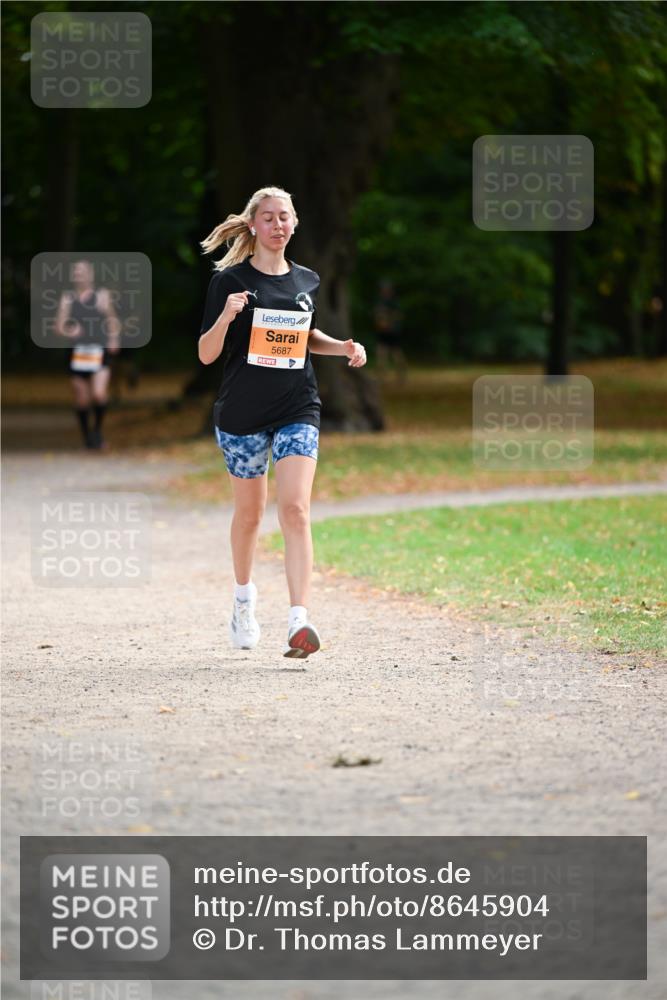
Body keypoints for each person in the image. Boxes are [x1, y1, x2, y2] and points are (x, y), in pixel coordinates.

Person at [198, 186, 367, 659]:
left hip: (298, 406)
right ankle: (243, 602)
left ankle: (299, 620)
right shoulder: (229, 282)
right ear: (253, 225)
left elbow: (303, 336)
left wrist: (344, 347)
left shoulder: (307, 281)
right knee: (250, 515)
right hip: (242, 413)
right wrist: (227, 318)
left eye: (285, 217)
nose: (277, 224)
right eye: (268, 217)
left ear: (295, 224)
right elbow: (206, 353)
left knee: (295, 509)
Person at [54, 260, 121, 449]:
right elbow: (58, 327)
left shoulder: (102, 296)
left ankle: (98, 431)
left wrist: (114, 340)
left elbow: (112, 320)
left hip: (99, 351)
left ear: (90, 275)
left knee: (99, 394)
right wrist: (70, 331)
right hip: (77, 354)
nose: (78, 275)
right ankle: (87, 437)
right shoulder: (68, 298)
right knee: (81, 399)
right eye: (75, 272)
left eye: (82, 272)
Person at [373, 277, 407, 382]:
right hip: (382, 333)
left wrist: (389, 323)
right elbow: (377, 316)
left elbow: (398, 316)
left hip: (393, 333)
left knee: (396, 355)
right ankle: (381, 378)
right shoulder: (380, 301)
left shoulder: (393, 303)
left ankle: (401, 377)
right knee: (381, 355)